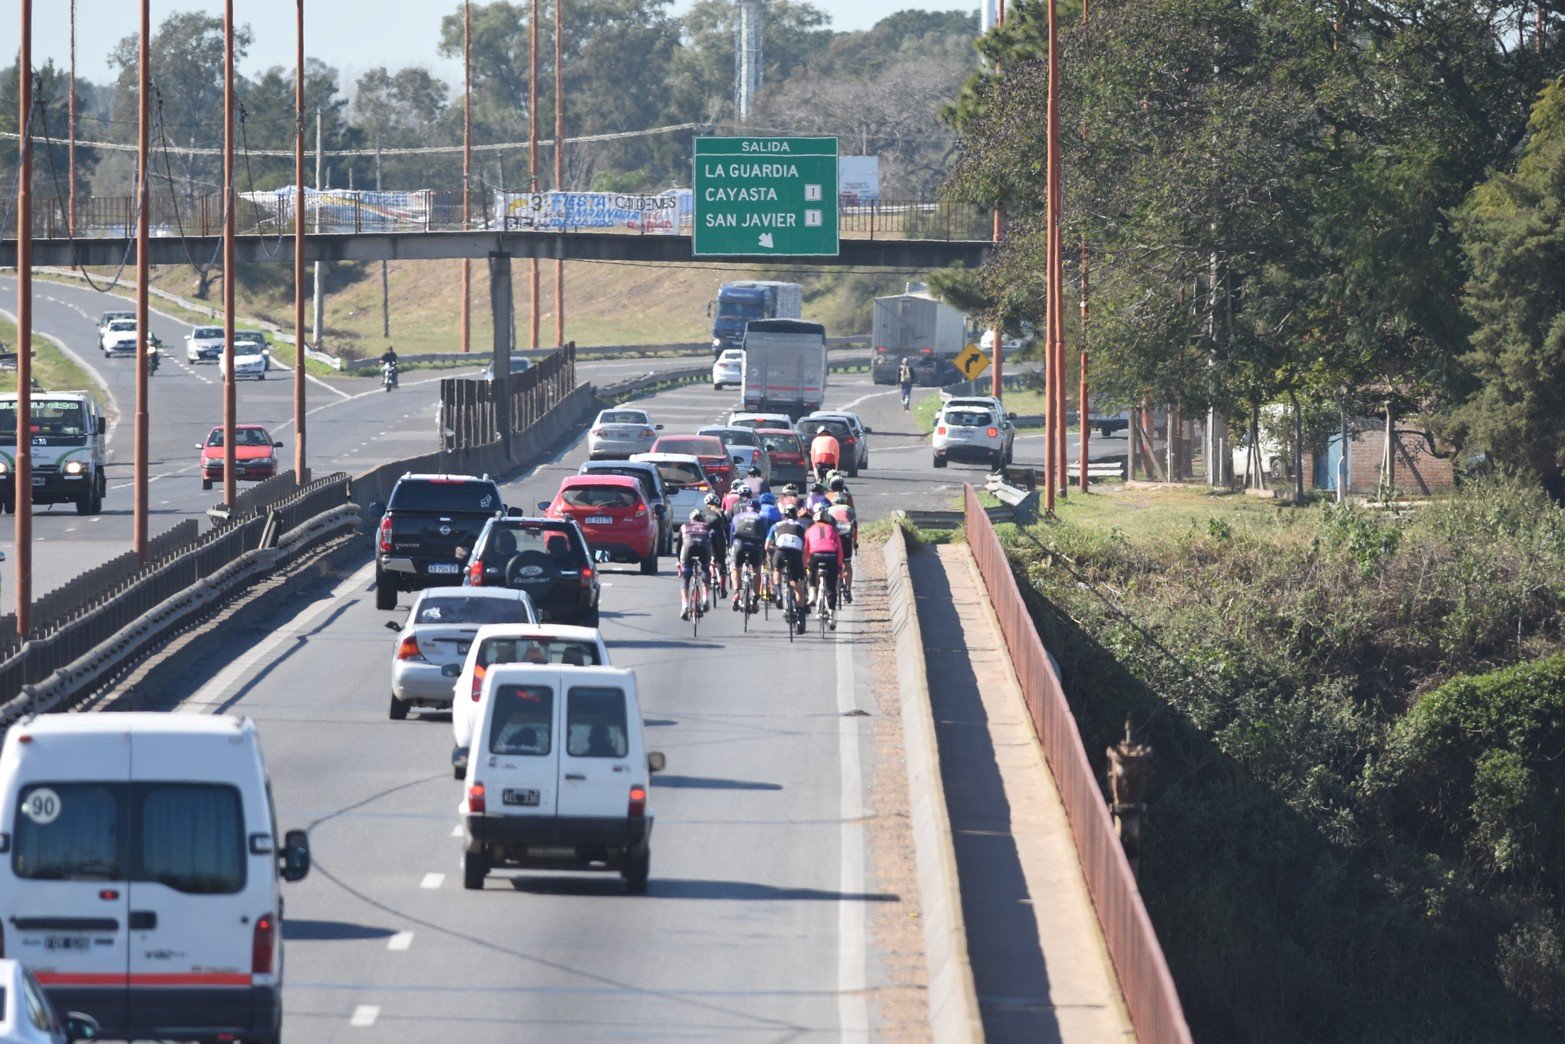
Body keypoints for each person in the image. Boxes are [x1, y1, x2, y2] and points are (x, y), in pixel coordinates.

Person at [765, 503, 809, 631]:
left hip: (781, 551)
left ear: (783, 515)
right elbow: (804, 548)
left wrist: (772, 553)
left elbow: (767, 546)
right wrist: (803, 564)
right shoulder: (800, 526)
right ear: (796, 515)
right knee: (798, 588)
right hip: (795, 554)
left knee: (777, 569)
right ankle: (801, 618)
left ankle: (778, 593)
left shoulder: (776, 525)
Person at [803, 503, 845, 630]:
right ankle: (831, 615)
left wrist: (805, 565)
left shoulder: (809, 530)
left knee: (811, 570)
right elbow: (840, 551)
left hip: (815, 556)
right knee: (831, 587)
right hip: (831, 556)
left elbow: (806, 549)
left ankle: (812, 594)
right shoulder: (833, 530)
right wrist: (838, 567)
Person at [727, 494, 768, 611]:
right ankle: (755, 599)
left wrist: (730, 550)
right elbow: (764, 537)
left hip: (739, 545)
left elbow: (731, 536)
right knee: (756, 571)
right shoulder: (761, 519)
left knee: (735, 568)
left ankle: (736, 592)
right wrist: (764, 556)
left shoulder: (737, 517)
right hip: (755, 547)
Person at [675, 509, 714, 620]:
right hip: (703, 549)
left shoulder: (684, 526)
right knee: (706, 569)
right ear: (703, 519)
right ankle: (706, 598)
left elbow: (678, 547)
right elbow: (716, 545)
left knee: (685, 577)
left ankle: (685, 606)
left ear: (691, 519)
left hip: (688, 549)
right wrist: (716, 559)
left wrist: (679, 561)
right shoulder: (708, 527)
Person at [827, 490, 858, 603]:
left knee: (833, 563)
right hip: (846, 537)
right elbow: (855, 528)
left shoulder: (829, 510)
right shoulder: (850, 510)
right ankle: (848, 591)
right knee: (847, 564)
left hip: (834, 538)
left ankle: (834, 582)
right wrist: (855, 543)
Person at [700, 491, 730, 595]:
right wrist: (729, 543)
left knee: (705, 560)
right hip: (718, 537)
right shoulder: (720, 512)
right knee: (721, 560)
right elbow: (726, 528)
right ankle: (723, 588)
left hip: (704, 538)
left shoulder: (701, 512)